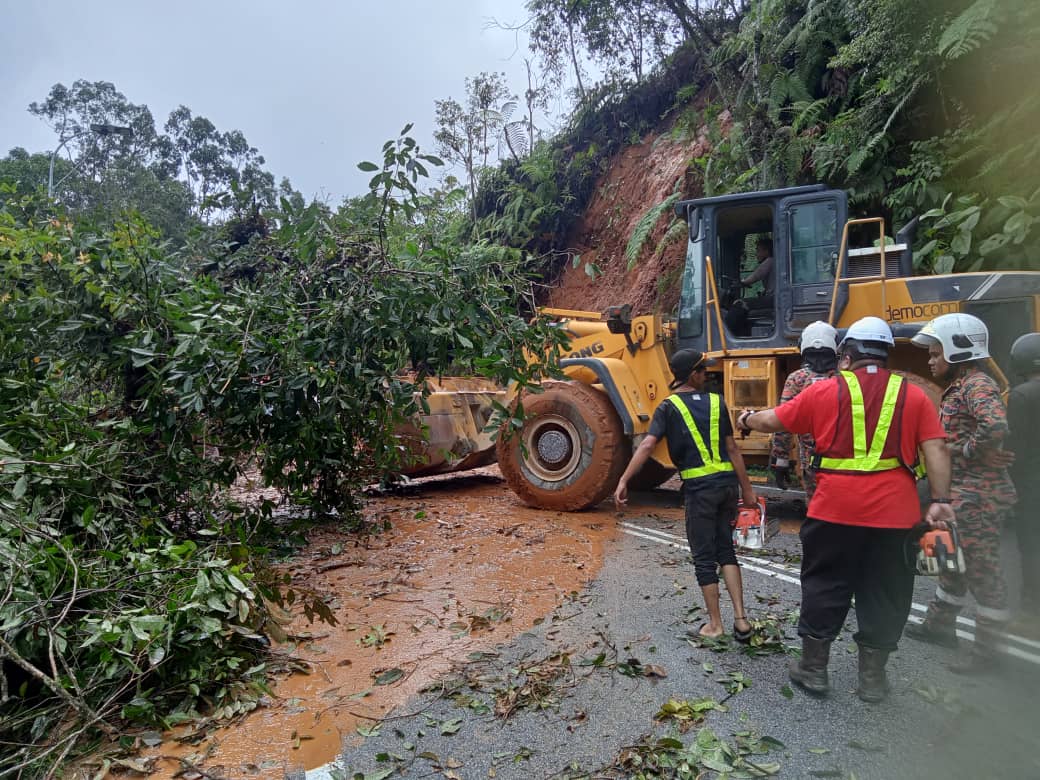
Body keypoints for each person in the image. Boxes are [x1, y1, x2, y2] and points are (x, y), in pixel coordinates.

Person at [736, 316, 953, 702]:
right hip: (896, 516)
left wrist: (747, 418)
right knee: (886, 592)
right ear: (885, 354)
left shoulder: (824, 391)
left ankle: (814, 669)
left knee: (825, 585)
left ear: (847, 355)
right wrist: (939, 502)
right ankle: (872, 680)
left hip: (833, 511)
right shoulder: (914, 396)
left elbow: (775, 419)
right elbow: (936, 448)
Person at [614, 349, 758, 642]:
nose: (707, 375)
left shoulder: (668, 407)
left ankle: (715, 625)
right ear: (692, 374)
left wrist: (624, 479)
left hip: (700, 491)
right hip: (726, 487)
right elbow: (732, 450)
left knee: (704, 558)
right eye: (703, 370)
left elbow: (646, 446)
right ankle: (741, 621)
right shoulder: (717, 403)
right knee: (726, 551)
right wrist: (748, 490)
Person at [906, 313, 1015, 674]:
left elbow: (995, 424)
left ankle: (988, 653)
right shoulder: (962, 386)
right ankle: (939, 627)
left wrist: (962, 450)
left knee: (984, 571)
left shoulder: (976, 385)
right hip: (958, 495)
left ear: (957, 350)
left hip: (979, 497)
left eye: (936, 354)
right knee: (948, 561)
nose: (930, 361)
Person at [771, 321, 839, 498]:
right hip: (846, 461)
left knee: (817, 507)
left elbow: (784, 421)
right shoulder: (846, 378)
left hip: (812, 461)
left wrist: (781, 459)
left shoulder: (797, 379)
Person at [1007, 333, 1040, 620]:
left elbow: (1014, 446)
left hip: (1032, 485)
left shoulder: (1022, 395)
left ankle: (1031, 611)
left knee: (1031, 547)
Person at [725, 238, 775, 337]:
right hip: (771, 298)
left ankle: (727, 334)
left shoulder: (770, 261)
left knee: (740, 303)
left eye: (758, 250)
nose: (756, 254)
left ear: (766, 251)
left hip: (772, 299)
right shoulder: (773, 262)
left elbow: (756, 275)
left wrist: (743, 282)